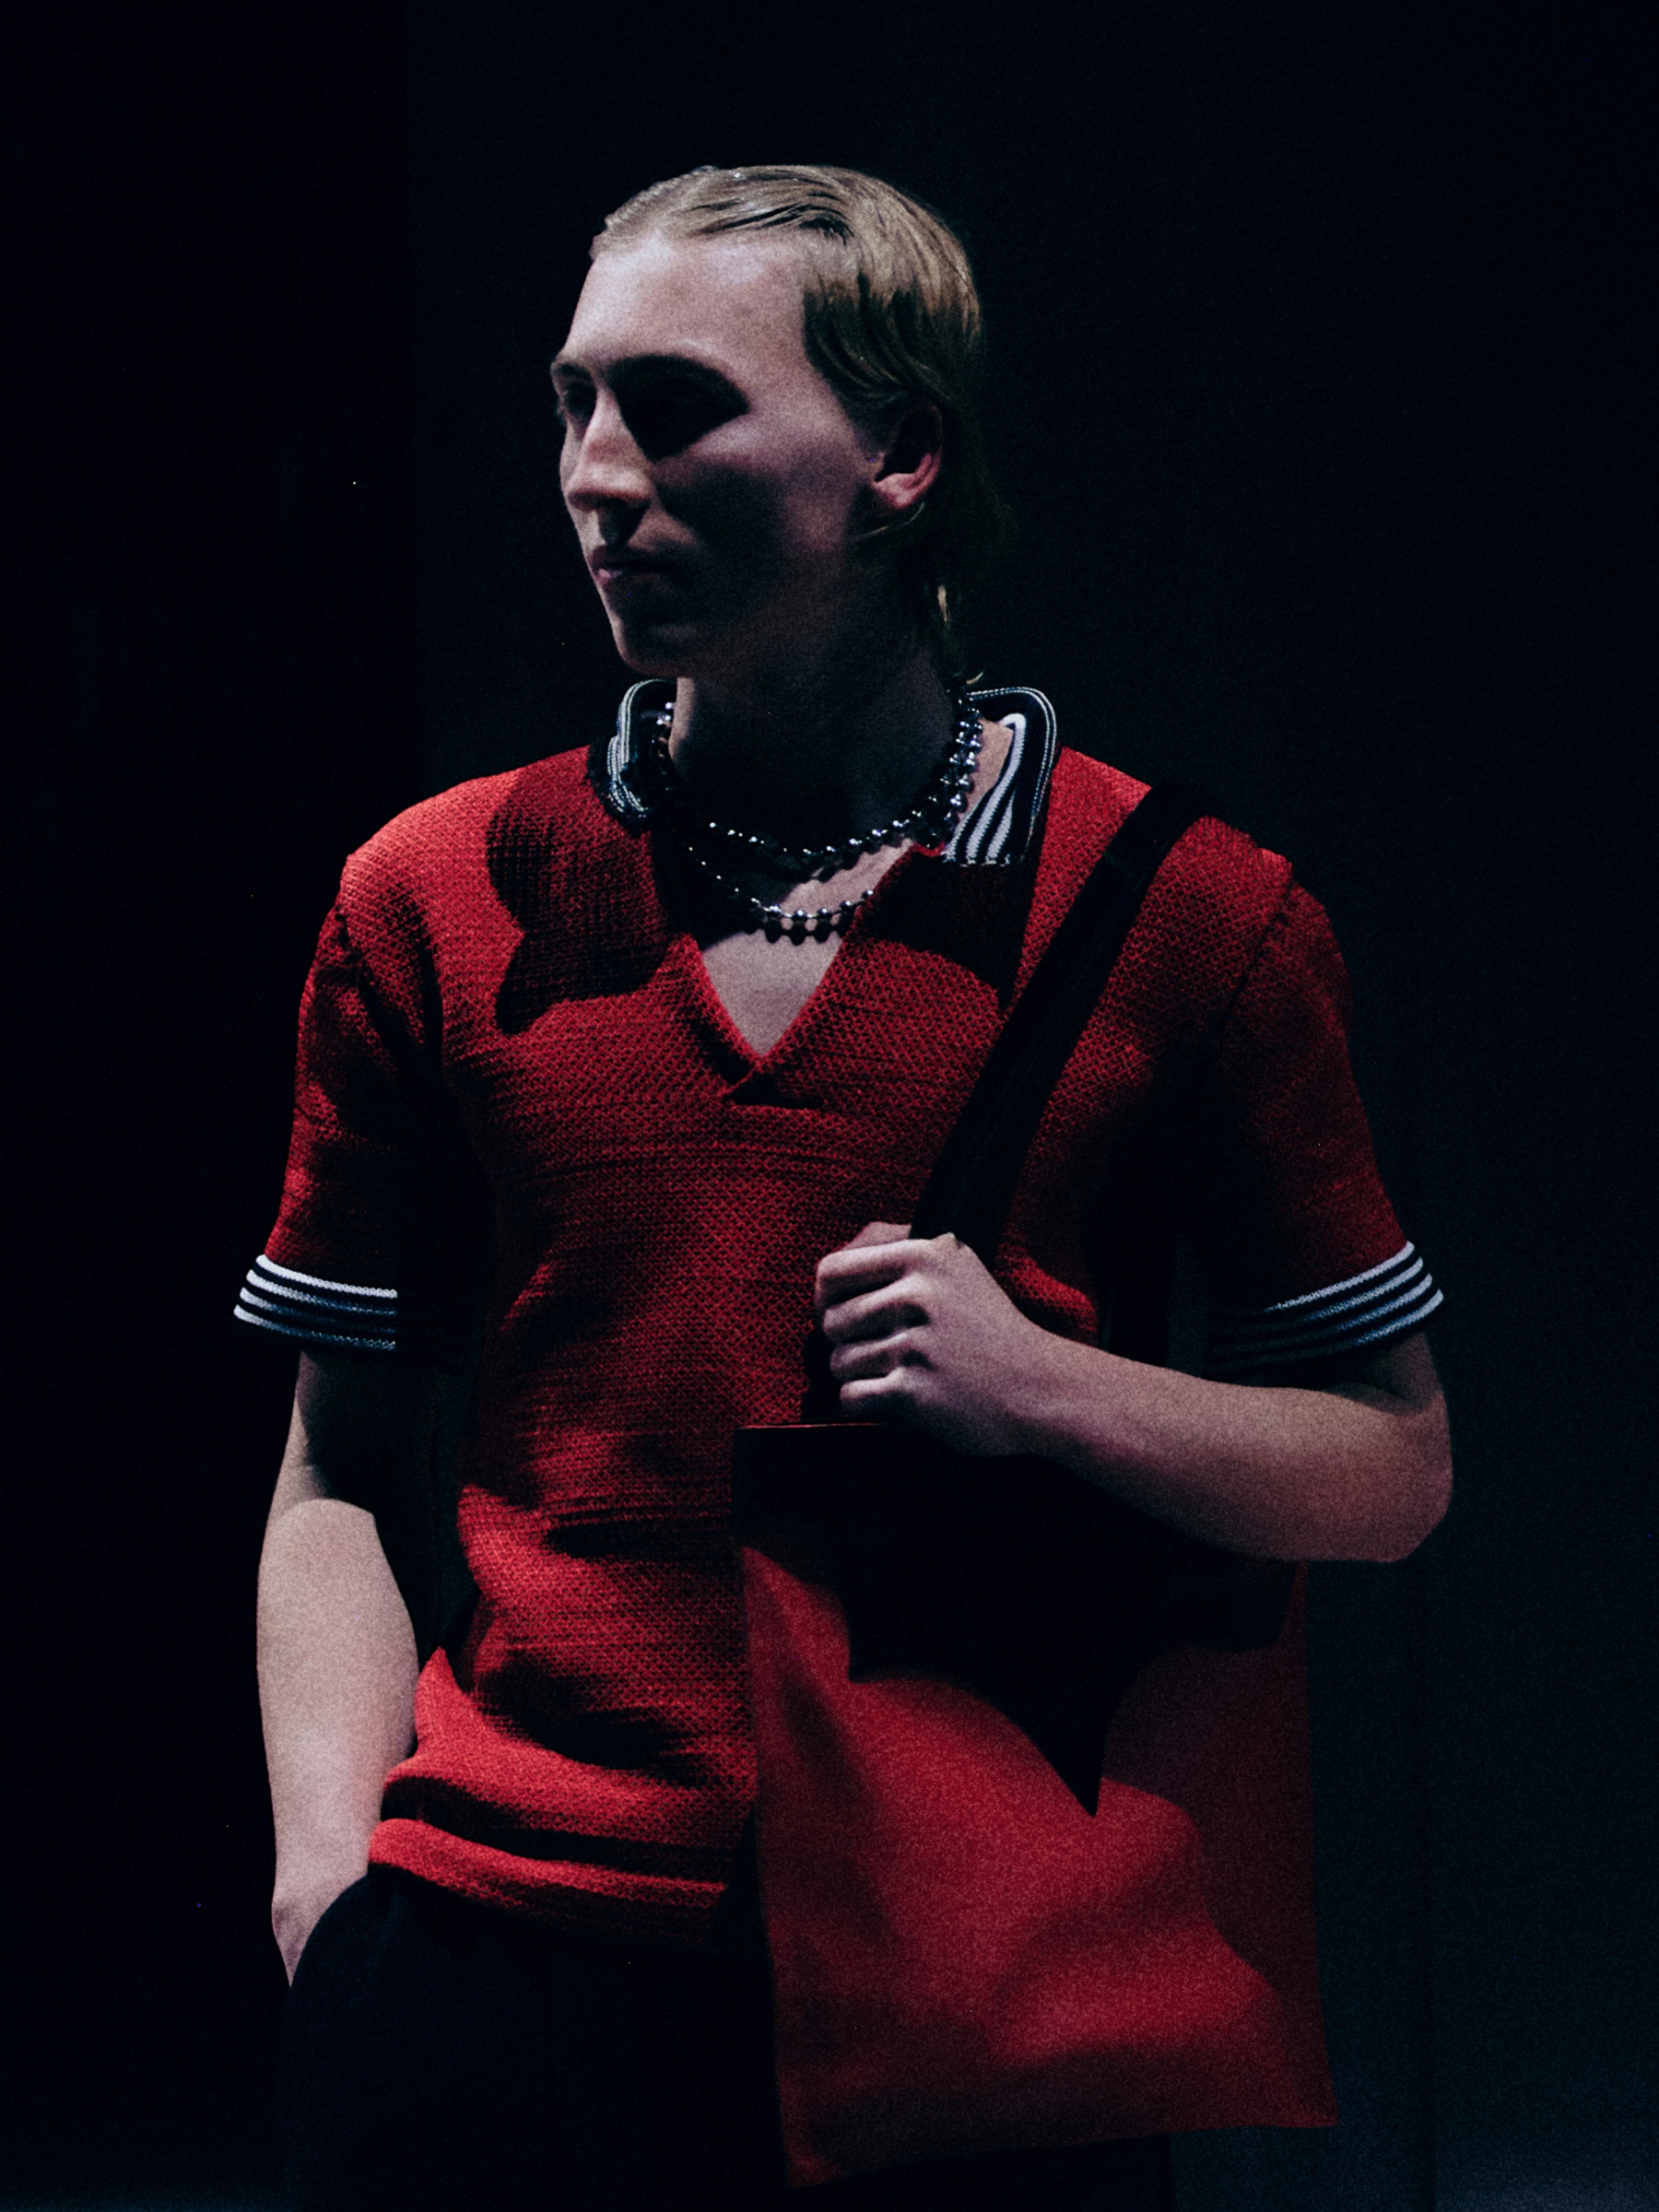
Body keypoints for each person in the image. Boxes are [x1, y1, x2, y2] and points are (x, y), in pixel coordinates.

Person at [241, 165, 1452, 2211]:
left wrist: (1049, 1388)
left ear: (902, 456)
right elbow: (336, 1474)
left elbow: (1396, 1467)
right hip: (496, 1974)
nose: (596, 475)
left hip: (962, 1990)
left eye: (678, 407)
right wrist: (331, 1892)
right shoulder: (438, 896)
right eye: (572, 405)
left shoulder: (1187, 917)